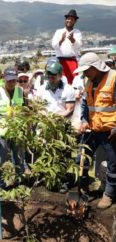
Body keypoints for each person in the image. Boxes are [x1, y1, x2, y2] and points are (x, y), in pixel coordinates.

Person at [73, 52, 116, 209]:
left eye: (86, 70)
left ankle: (109, 194)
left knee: (113, 164)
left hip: (110, 131)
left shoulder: (113, 78)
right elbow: (87, 106)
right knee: (82, 158)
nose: (84, 73)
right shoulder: (89, 82)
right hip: (93, 129)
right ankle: (83, 187)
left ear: (96, 67)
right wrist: (84, 121)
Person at [0, 67, 25, 171]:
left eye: (14, 80)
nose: (11, 82)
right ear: (4, 79)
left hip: (17, 131)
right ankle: (1, 183)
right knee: (1, 160)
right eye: (9, 80)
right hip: (2, 132)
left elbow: (26, 110)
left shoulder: (20, 91)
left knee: (19, 158)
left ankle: (20, 180)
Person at [52, 9, 82, 85]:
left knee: (73, 82)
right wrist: (61, 40)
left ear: (75, 21)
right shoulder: (58, 31)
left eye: (72, 19)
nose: (69, 21)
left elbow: (79, 46)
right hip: (60, 61)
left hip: (72, 61)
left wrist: (72, 40)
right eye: (68, 19)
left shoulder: (77, 32)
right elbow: (54, 46)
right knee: (59, 82)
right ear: (65, 20)